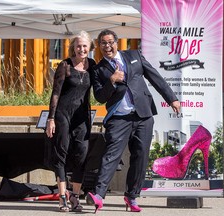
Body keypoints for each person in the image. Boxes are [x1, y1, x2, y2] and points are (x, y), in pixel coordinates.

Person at [86, 29, 180, 213]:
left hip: (143, 115)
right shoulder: (98, 70)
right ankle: (98, 194)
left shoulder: (134, 55)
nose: (107, 46)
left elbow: (155, 76)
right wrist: (111, 81)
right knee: (111, 155)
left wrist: (171, 98)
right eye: (103, 43)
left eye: (110, 42)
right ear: (99, 46)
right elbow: (99, 97)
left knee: (141, 156)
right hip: (119, 118)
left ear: (117, 42)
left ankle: (132, 196)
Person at [45, 30, 96, 212]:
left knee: (81, 155)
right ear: (73, 48)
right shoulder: (65, 66)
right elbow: (56, 93)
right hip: (63, 114)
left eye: (84, 46)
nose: (81, 49)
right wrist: (51, 118)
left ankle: (74, 196)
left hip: (82, 117)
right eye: (78, 46)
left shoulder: (92, 66)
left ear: (90, 47)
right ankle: (61, 196)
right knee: (61, 153)